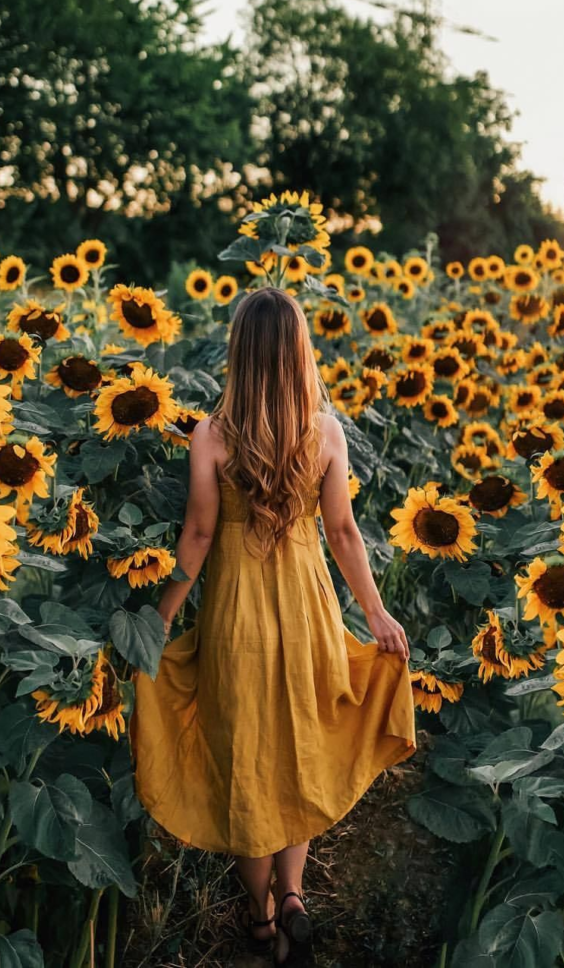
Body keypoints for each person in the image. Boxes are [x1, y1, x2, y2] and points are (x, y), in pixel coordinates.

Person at [130, 287, 417, 964]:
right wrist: (375, 612)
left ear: (238, 353)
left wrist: (158, 619)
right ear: (297, 353)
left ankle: (259, 920)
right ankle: (292, 896)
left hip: (236, 621)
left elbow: (197, 536)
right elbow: (343, 532)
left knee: (247, 761)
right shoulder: (322, 432)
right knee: (300, 748)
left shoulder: (212, 434)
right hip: (307, 612)